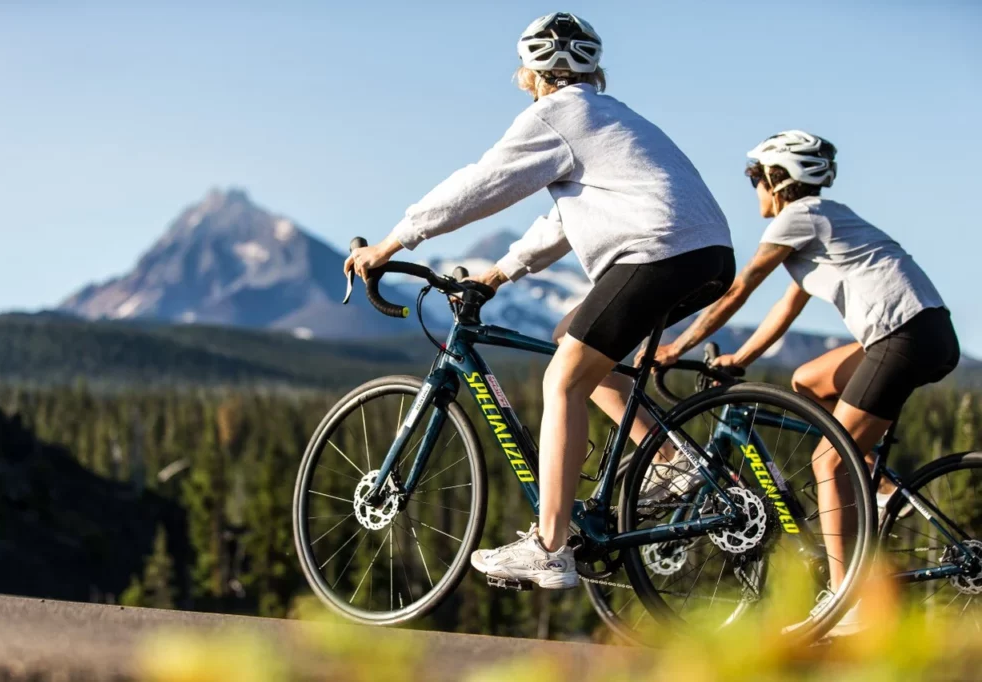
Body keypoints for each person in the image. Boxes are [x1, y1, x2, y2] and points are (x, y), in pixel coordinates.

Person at [344, 12, 734, 589]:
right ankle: (675, 461)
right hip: (705, 255)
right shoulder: (608, 117)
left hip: (657, 254)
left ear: (530, 71)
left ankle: (550, 547)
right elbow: (564, 217)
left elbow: (480, 184)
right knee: (569, 342)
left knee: (563, 380)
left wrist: (393, 241)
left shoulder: (554, 114)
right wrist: (500, 273)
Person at [652, 129, 960, 625]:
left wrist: (675, 347)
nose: (753, 186)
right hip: (923, 333)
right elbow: (785, 309)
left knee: (828, 461)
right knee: (809, 382)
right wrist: (741, 358)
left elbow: (739, 291)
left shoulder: (800, 218)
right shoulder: (824, 223)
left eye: (755, 177)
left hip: (902, 338)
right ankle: (877, 491)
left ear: (778, 179)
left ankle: (847, 605)